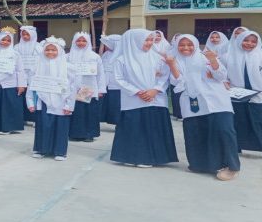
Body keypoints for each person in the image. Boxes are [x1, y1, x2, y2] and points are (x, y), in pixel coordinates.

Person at [166, 34, 240, 181]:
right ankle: (201, 164)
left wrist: (213, 60)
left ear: (195, 44)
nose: (186, 48)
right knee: (197, 133)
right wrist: (172, 65)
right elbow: (177, 82)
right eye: (182, 45)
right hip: (192, 101)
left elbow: (221, 76)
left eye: (189, 44)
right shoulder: (175, 60)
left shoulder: (205, 57)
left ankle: (231, 167)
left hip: (217, 101)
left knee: (224, 131)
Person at [111, 29, 178, 167]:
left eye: (150, 40)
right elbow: (118, 79)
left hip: (156, 99)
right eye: (146, 40)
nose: (149, 43)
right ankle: (133, 157)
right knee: (135, 129)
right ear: (134, 41)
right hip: (133, 100)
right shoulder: (122, 60)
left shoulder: (158, 58)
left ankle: (155, 158)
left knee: (154, 128)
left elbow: (165, 76)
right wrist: (137, 92)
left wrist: (155, 90)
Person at [27, 36, 75, 161]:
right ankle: (41, 149)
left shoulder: (68, 67)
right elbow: (31, 85)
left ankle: (60, 151)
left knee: (61, 127)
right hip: (43, 101)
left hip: (61, 101)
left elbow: (72, 87)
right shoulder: (37, 66)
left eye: (54, 50)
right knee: (43, 125)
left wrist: (69, 105)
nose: (50, 52)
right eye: (47, 50)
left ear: (59, 51)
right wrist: (30, 101)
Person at [227, 30, 262, 160]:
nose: (249, 44)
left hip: (259, 96)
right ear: (239, 40)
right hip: (237, 96)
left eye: (253, 41)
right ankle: (236, 147)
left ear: (258, 43)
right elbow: (222, 75)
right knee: (238, 122)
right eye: (246, 40)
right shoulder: (228, 56)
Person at [0, 28, 27, 135]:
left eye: (8, 40)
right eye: (3, 40)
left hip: (10, 85)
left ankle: (8, 127)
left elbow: (20, 70)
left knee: (9, 106)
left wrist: (21, 85)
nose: (5, 42)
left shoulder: (15, 54)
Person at [67, 32, 106, 142]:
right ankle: (75, 134)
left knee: (89, 112)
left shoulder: (95, 57)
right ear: (74, 42)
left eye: (84, 41)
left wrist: (101, 89)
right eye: (78, 40)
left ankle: (89, 134)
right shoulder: (67, 56)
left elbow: (100, 74)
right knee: (76, 111)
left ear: (88, 42)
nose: (81, 43)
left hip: (89, 88)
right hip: (73, 88)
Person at [14, 25, 42, 125]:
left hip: (34, 75)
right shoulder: (17, 47)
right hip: (20, 75)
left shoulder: (38, 47)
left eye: (27, 35)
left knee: (33, 97)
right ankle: (21, 119)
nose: (25, 36)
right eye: (23, 34)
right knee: (20, 96)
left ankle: (33, 118)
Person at [100, 34, 122, 125]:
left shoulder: (122, 55)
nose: (106, 46)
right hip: (105, 83)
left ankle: (117, 122)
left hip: (117, 84)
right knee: (104, 104)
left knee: (115, 104)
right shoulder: (106, 54)